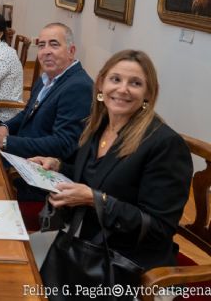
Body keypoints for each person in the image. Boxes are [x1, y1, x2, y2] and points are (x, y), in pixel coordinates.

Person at [34, 50, 192, 279]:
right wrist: (58, 166)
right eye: (115, 79)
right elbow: (96, 177)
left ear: (148, 93)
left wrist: (94, 199)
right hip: (86, 240)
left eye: (135, 83)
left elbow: (158, 228)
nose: (122, 89)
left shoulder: (165, 145)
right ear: (101, 85)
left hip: (127, 263)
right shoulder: (98, 126)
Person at [0, 23, 93, 160]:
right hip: (20, 145)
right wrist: (5, 127)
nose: (46, 51)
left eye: (54, 45)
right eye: (41, 45)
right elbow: (27, 113)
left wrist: (4, 142)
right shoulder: (46, 78)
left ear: (71, 51)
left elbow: (63, 144)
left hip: (36, 163)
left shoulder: (78, 87)